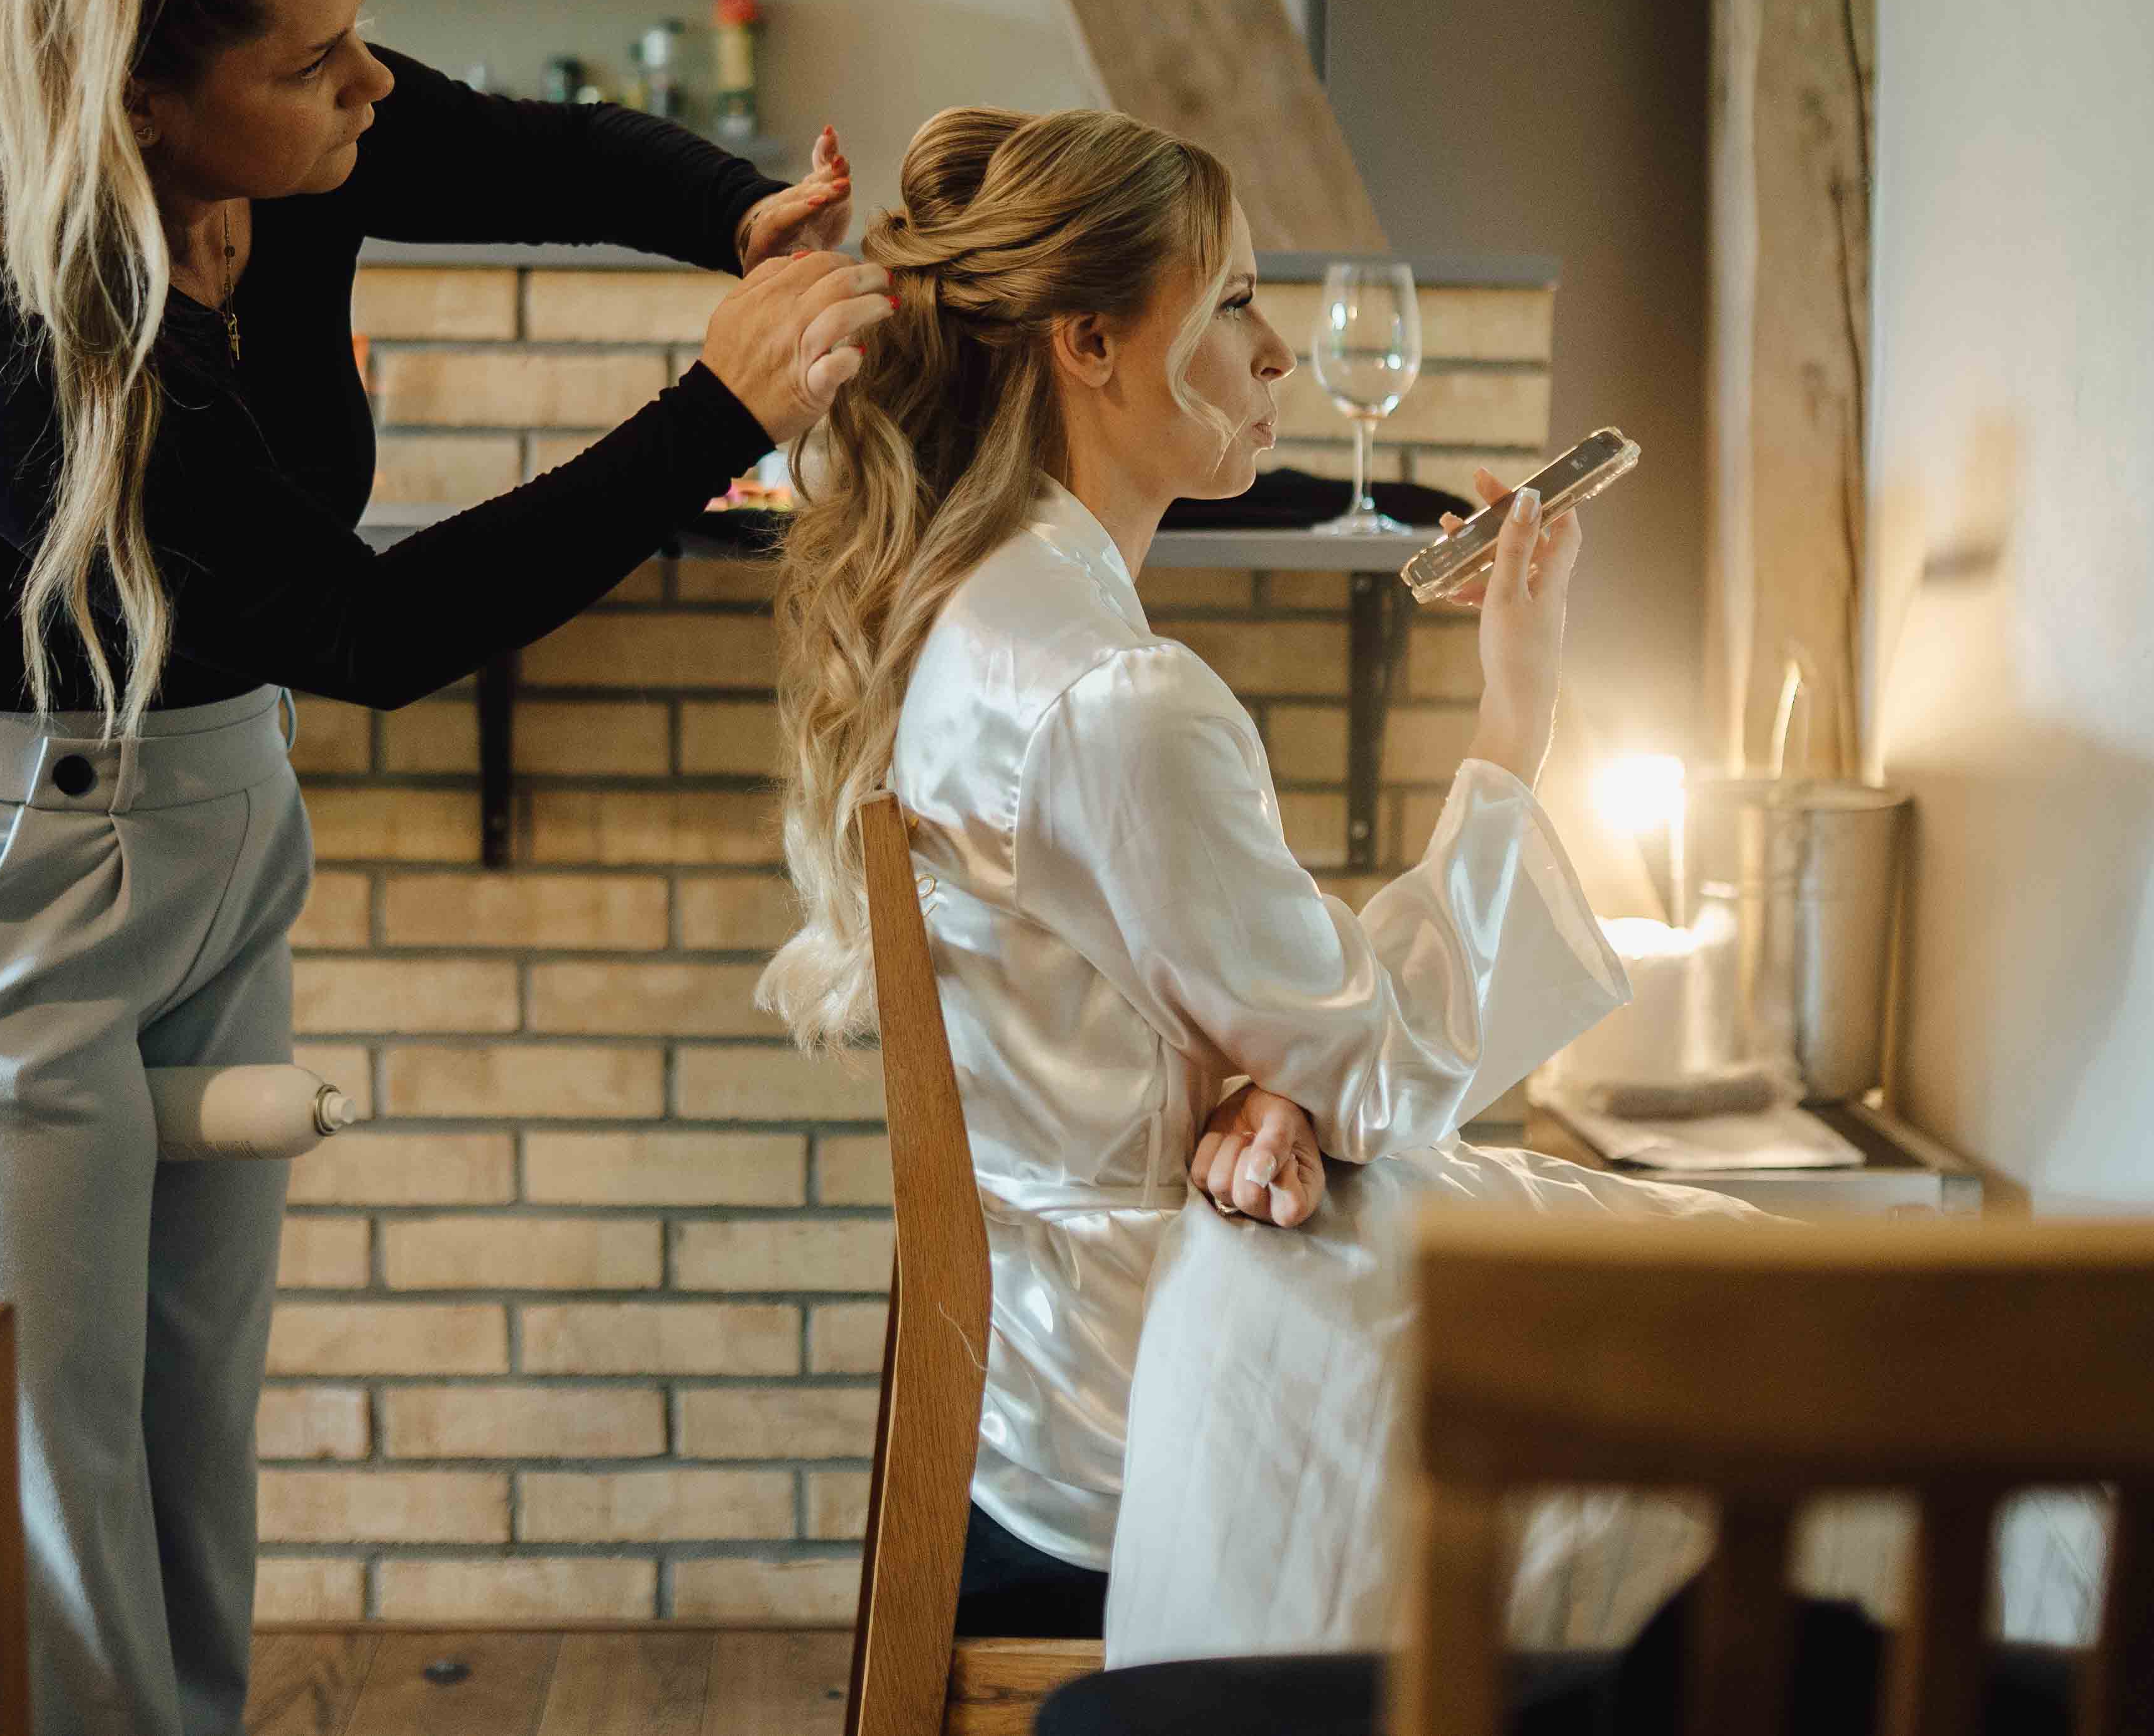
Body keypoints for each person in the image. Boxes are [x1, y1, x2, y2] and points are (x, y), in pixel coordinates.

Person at [0, 0, 888, 1736]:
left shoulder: (290, 137)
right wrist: (718, 412)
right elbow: (359, 629)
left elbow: (527, 146)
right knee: (27, 1465)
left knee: (182, 1424)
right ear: (142, 96)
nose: (367, 83)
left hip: (201, 811)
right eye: (313, 61)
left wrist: (738, 217)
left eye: (354, 29)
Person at [756, 106, 1767, 1661]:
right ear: (1090, 344)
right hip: (1153, 1376)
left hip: (1068, 1333)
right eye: (1232, 302)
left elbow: (1264, 1025)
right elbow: (1386, 1067)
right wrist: (1518, 714)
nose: (1277, 349)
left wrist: (1269, 1078)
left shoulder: (971, 607)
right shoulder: (1116, 697)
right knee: (1773, 1338)